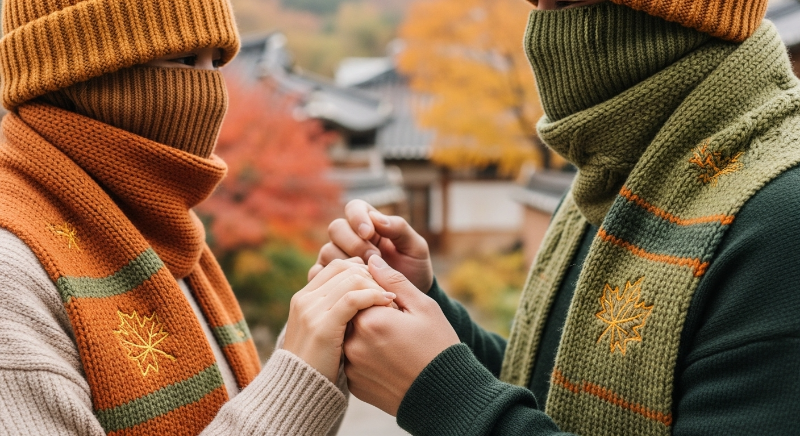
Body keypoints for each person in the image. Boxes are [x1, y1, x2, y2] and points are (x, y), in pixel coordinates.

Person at [315, 0, 800, 434]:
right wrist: (426, 310)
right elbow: (551, 386)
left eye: (566, 1)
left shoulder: (782, 215)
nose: (543, 25)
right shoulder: (619, 169)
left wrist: (444, 397)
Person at [0, 0, 396, 435]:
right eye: (186, 60)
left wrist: (321, 334)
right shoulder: (11, 272)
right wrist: (298, 373)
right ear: (82, 69)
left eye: (217, 63)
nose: (209, 91)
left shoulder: (158, 226)